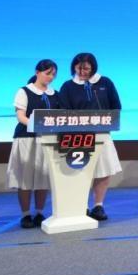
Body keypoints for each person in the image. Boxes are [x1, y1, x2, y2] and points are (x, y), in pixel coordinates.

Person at [57, 52, 123, 221]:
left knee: (104, 170)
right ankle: (82, 205)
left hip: (102, 134)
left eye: (86, 68)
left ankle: (98, 205)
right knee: (80, 171)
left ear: (93, 67)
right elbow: (63, 111)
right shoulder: (68, 86)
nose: (82, 72)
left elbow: (116, 106)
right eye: (78, 68)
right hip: (77, 136)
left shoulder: (105, 82)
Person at [7, 59, 59, 228]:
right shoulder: (24, 91)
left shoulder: (55, 94)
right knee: (25, 178)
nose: (50, 77)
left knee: (43, 177)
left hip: (47, 140)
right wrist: (37, 125)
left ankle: (39, 212)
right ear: (37, 72)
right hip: (26, 139)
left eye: (53, 74)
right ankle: (25, 214)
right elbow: (21, 116)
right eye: (47, 73)